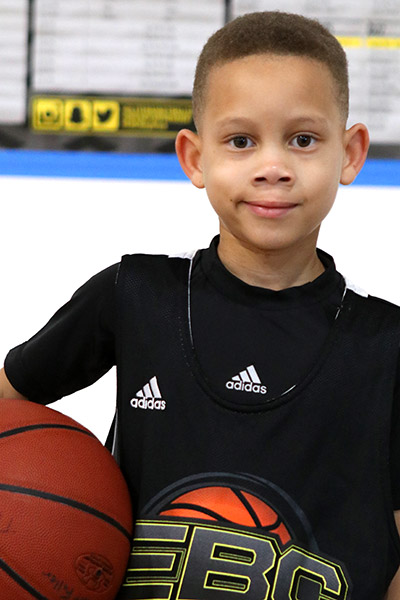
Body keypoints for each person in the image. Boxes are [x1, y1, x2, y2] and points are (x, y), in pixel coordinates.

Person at [0, 10, 399, 598]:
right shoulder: (133, 296)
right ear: (194, 157)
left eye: (303, 140)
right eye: (241, 141)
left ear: (350, 153)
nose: (272, 168)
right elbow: (10, 397)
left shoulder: (386, 345)